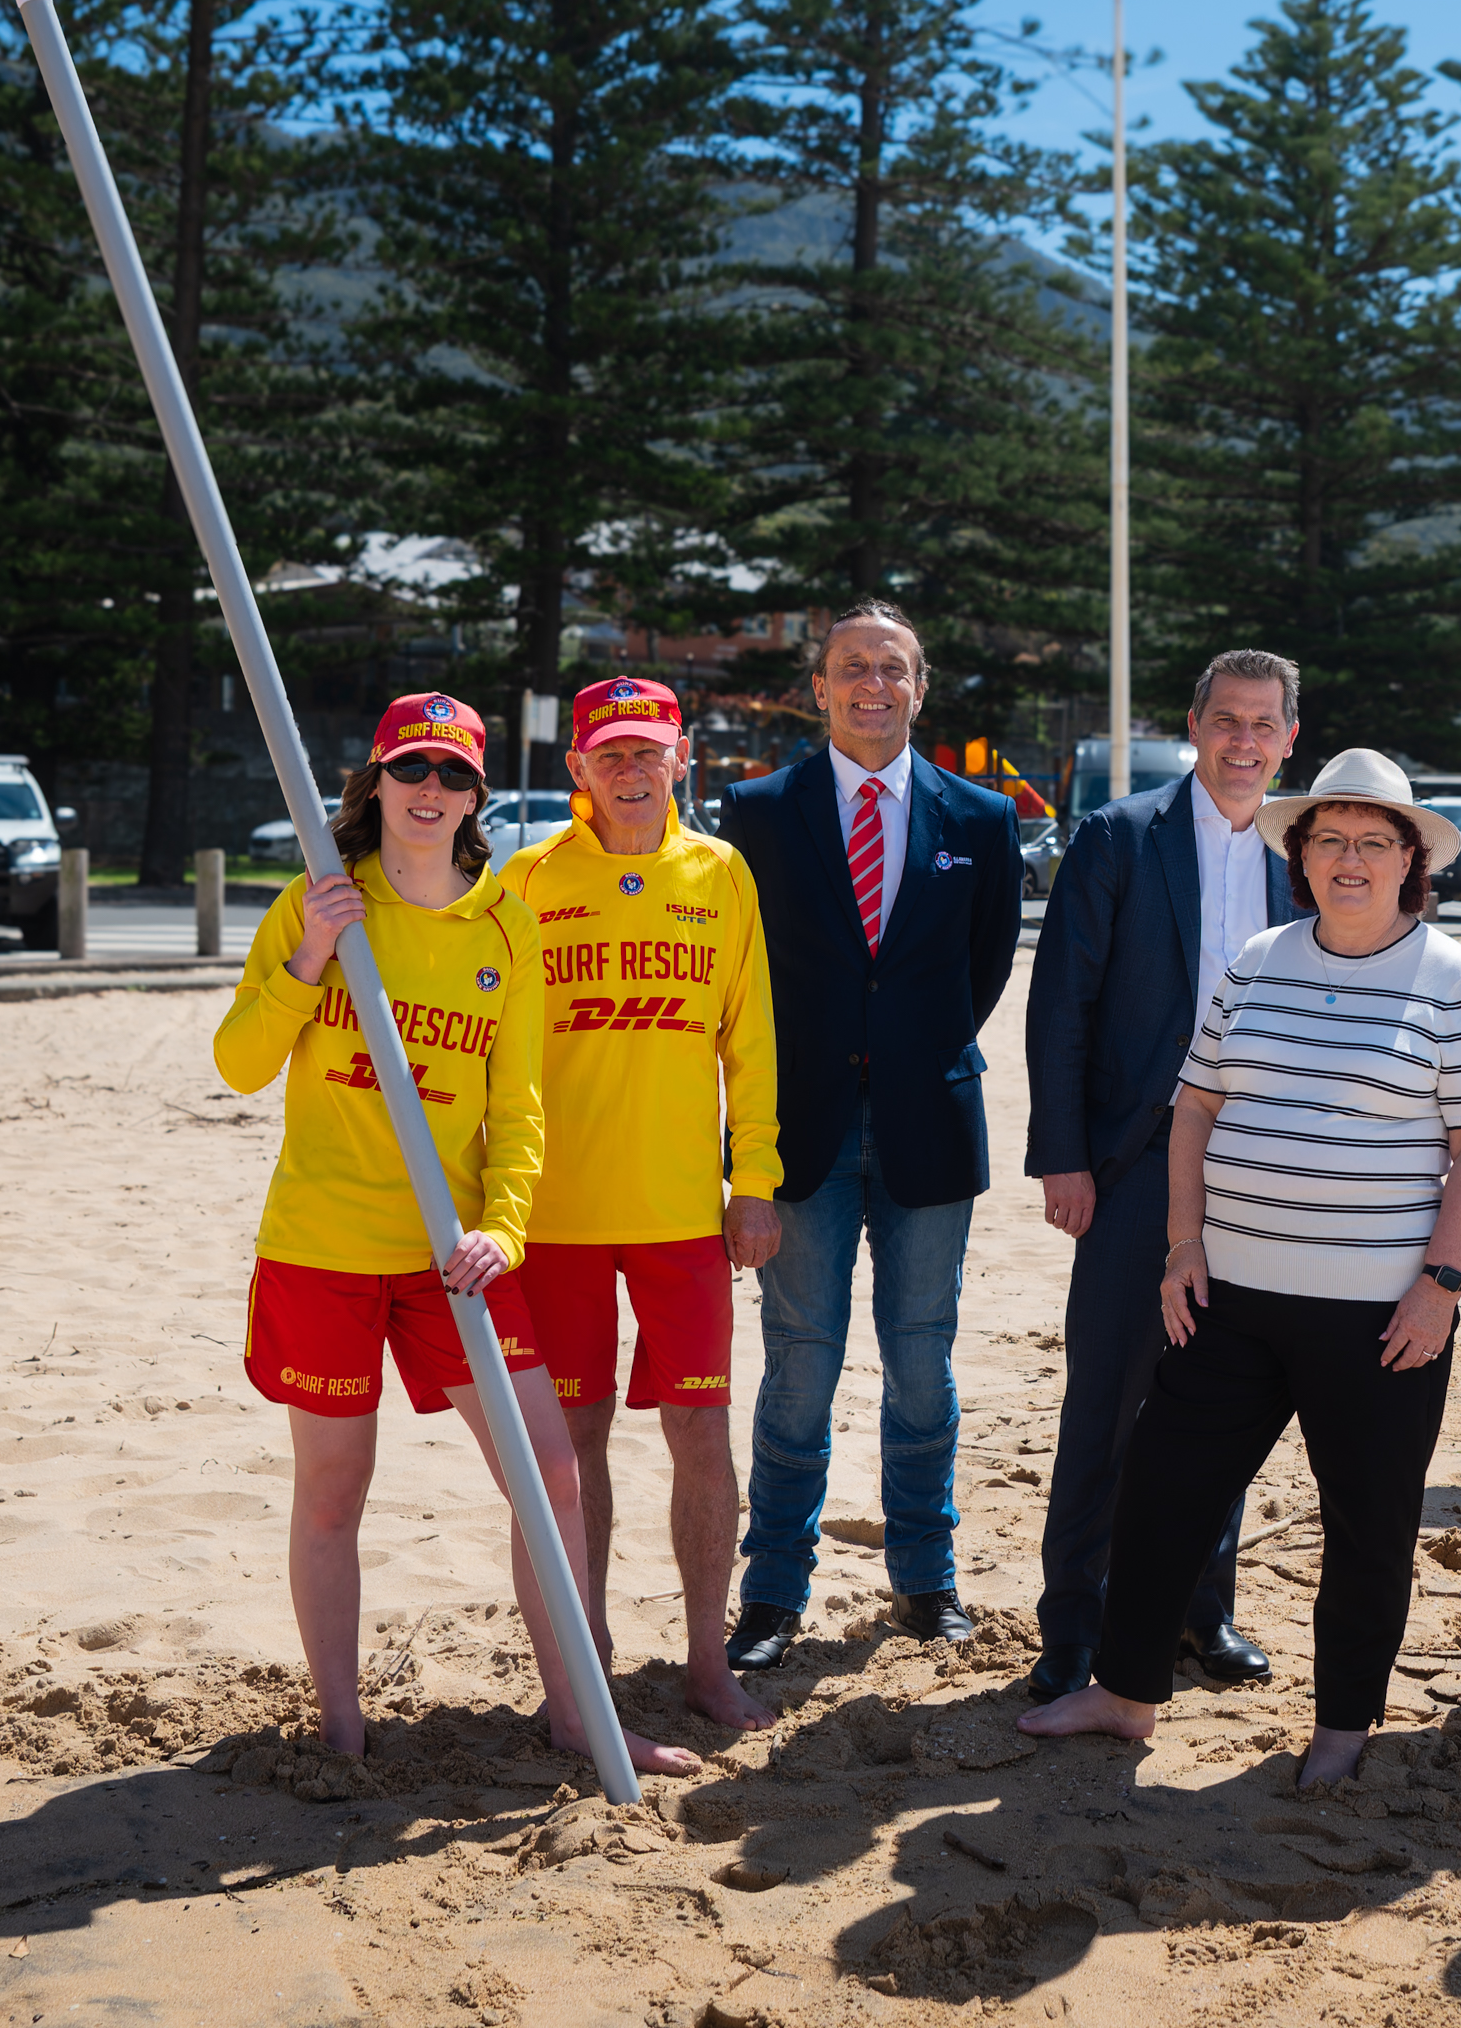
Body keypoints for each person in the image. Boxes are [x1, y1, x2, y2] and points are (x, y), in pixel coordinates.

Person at [1019, 747, 1461, 1789]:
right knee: (1161, 1491)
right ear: (1302, 854)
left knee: (1368, 1524)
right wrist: (1183, 1245)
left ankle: (1342, 1728)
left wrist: (1442, 1286)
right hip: (1230, 1298)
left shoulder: (1454, 980)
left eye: (1373, 840)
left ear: (1411, 860)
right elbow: (1195, 1107)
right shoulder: (1257, 959)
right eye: (1329, 837)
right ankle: (1125, 1692)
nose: (1349, 857)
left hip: (1380, 1316)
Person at [211, 691, 686, 1776]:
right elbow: (239, 1064)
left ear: (477, 795)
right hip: (325, 1246)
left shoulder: (504, 924)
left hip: (452, 1256)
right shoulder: (321, 900)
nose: (431, 790)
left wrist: (504, 1228)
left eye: (454, 774)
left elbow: (519, 1109)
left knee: (551, 1475)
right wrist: (311, 955)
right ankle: (341, 1731)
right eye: (412, 768)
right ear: (375, 780)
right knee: (334, 1491)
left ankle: (577, 1713)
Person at [715, 603, 1026, 1670]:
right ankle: (773, 1591)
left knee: (921, 1360)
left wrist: (905, 1051)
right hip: (796, 1129)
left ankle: (925, 1579)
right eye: (852, 666)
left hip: (928, 1124)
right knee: (798, 1366)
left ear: (920, 687)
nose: (872, 684)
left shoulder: (982, 817)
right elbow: (743, 976)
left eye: (892, 667)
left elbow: (983, 968)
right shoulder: (759, 810)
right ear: (820, 686)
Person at [498, 676, 784, 1734]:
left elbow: (750, 1040)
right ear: (577, 764)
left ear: (681, 758)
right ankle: (587, 1662)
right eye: (610, 752)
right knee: (573, 1440)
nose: (630, 769)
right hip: (555, 1217)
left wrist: (755, 1180)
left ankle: (708, 1663)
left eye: (647, 751)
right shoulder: (526, 879)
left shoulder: (722, 872)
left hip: (682, 1217)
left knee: (700, 1432)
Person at [1018, 649, 1302, 1701]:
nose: (1243, 740)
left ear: (1289, 740)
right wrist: (1064, 1155)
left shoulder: (1304, 853)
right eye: (1226, 719)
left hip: (1256, 1169)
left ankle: (1199, 1611)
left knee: (1220, 1398)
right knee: (1105, 1400)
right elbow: (1061, 1005)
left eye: (1263, 723)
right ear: (1194, 725)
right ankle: (1073, 1625)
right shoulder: (1119, 835)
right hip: (1133, 1163)